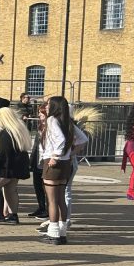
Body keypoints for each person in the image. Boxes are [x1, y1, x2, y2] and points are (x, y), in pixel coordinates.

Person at [39, 96, 82, 244]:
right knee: (60, 199)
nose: (47, 106)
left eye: (49, 104)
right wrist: (69, 153)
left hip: (53, 162)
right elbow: (83, 139)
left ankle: (54, 232)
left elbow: (60, 140)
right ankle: (62, 232)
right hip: (65, 163)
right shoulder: (67, 122)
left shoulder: (52, 120)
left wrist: (56, 155)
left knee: (52, 200)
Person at [0, 105, 31, 224]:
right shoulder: (19, 130)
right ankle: (13, 215)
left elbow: (3, 150)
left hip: (6, 164)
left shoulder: (5, 132)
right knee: (11, 190)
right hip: (18, 164)